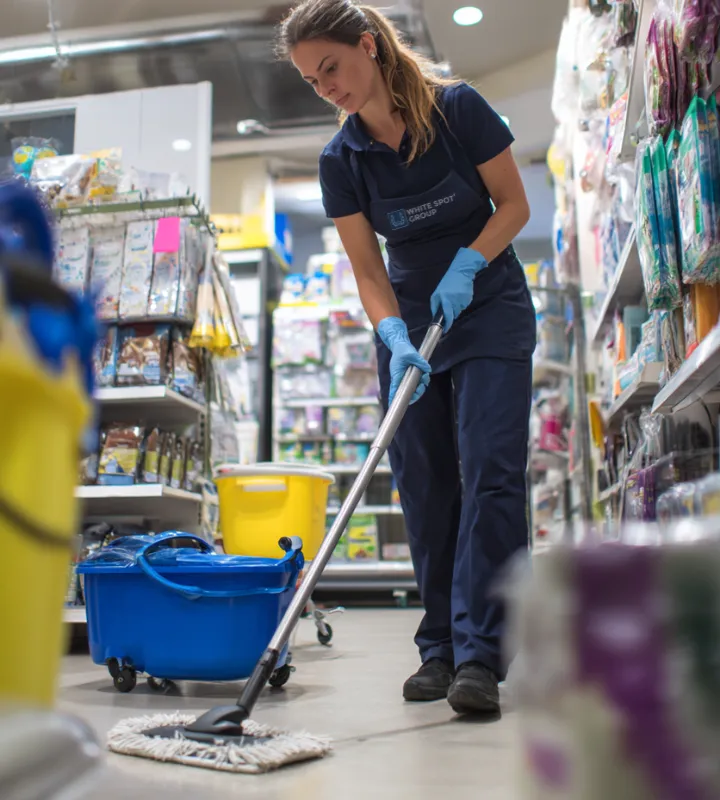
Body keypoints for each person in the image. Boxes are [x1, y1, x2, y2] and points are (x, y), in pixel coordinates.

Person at [277, 0, 535, 716]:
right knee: (423, 485)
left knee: (489, 475)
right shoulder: (341, 160)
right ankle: (440, 648)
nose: (327, 87)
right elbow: (366, 269)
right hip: (411, 323)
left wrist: (469, 265)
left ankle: (482, 653)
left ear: (369, 45)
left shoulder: (459, 110)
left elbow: (514, 206)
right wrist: (391, 336)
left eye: (331, 67)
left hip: (488, 312)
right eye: (311, 80)